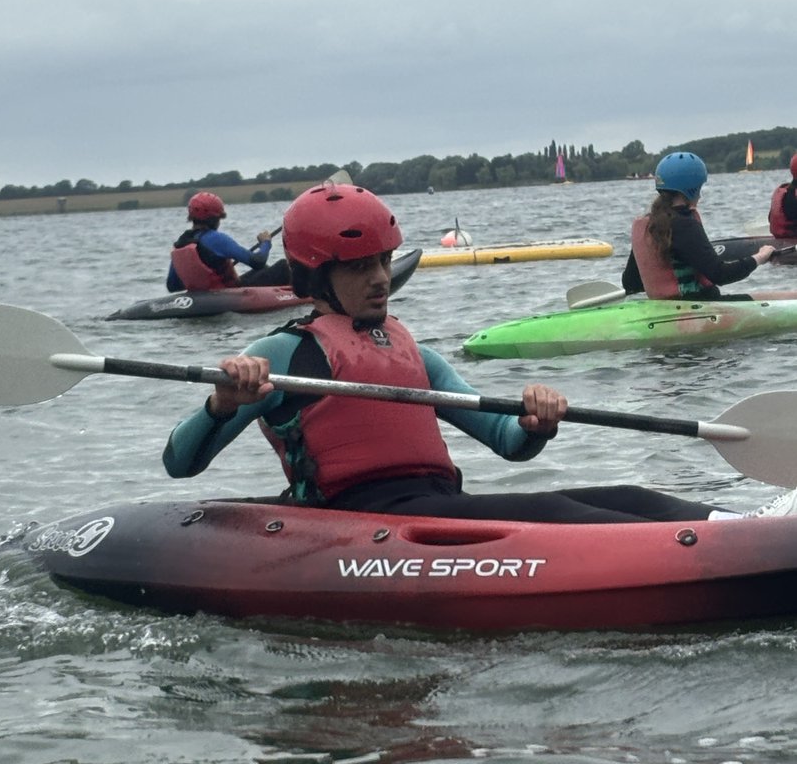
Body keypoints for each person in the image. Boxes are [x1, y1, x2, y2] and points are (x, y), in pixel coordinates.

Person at [164, 182, 797, 523]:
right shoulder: (281, 352)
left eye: (383, 261)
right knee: (554, 510)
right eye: (359, 268)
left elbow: (506, 442)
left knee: (633, 495)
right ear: (316, 275)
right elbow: (180, 463)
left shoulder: (408, 348)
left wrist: (534, 421)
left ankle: (755, 526)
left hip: (437, 509)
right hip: (356, 520)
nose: (381, 278)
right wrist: (223, 403)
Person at [621, 151, 777, 300]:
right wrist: (759, 258)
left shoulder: (647, 224)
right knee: (790, 297)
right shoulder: (684, 225)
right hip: (700, 308)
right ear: (693, 188)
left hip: (666, 309)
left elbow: (630, 283)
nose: (700, 195)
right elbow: (720, 274)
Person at [165, 191, 288, 292]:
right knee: (283, 266)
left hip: (203, 297)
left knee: (263, 270)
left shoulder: (180, 245)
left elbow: (172, 286)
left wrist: (205, 276)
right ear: (215, 219)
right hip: (229, 293)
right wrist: (265, 243)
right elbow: (258, 261)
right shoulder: (215, 238)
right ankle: (301, 294)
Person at [768, 153, 797, 239]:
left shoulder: (784, 190)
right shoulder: (792, 197)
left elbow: (770, 218)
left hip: (781, 239)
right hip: (792, 240)